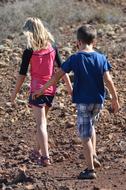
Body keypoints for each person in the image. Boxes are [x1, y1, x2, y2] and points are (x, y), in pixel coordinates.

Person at [32, 25, 120, 178]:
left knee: (84, 135)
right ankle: (93, 155)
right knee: (91, 126)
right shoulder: (101, 58)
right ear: (94, 41)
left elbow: (56, 76)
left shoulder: (75, 58)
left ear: (78, 42)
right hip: (98, 101)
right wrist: (115, 98)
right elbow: (108, 80)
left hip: (83, 101)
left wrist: (41, 90)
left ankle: (90, 170)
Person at [11, 17, 72, 166]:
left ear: (29, 32)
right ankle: (36, 150)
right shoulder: (52, 47)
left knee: (40, 124)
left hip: (37, 90)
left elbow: (22, 75)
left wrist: (14, 94)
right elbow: (62, 70)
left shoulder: (29, 51)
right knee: (43, 122)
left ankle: (45, 157)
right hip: (51, 89)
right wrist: (70, 89)